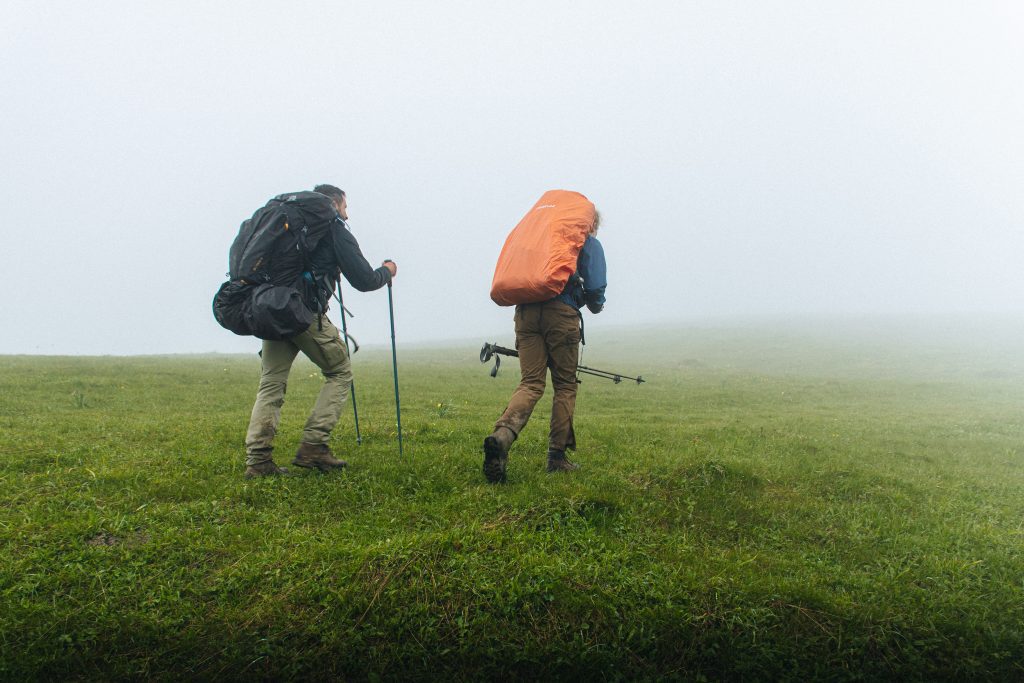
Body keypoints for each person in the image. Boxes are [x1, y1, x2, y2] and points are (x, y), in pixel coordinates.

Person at [244, 184, 397, 478]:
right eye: (345, 207)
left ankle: (258, 460)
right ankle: (314, 445)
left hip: (272, 309)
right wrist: (387, 271)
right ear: (334, 204)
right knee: (340, 370)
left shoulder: (285, 226)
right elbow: (364, 279)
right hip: (303, 312)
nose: (347, 215)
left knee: (271, 381)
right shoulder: (332, 227)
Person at [482, 212, 607, 483]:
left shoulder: (537, 240)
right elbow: (596, 289)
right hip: (561, 314)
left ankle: (501, 436)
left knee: (530, 383)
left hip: (525, 313)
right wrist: (592, 302)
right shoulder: (584, 241)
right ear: (590, 222)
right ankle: (556, 458)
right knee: (564, 385)